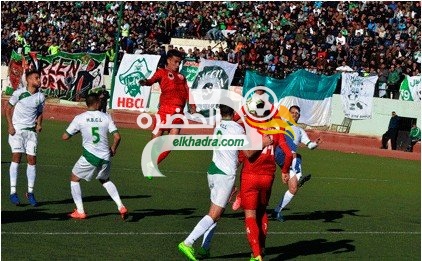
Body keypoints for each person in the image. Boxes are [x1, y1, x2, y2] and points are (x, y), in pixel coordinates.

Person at [178, 101, 245, 261]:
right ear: (234, 112)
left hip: (213, 171)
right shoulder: (238, 129)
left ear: (221, 113)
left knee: (216, 213)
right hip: (225, 174)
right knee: (214, 214)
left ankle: (205, 248)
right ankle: (188, 243)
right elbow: (247, 152)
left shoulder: (218, 126)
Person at [62, 92, 127, 220]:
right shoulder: (106, 117)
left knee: (74, 178)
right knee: (105, 180)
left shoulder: (79, 118)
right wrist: (113, 148)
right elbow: (117, 136)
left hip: (90, 156)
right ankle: (121, 206)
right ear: (97, 103)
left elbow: (64, 137)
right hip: (105, 157)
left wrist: (78, 131)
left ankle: (80, 211)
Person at [139, 49, 196, 169]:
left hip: (178, 113)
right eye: (175, 62)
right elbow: (151, 80)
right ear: (169, 60)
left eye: (179, 62)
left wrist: (192, 106)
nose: (177, 65)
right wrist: (145, 82)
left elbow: (187, 92)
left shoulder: (182, 77)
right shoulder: (162, 72)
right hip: (165, 110)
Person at [272, 105, 322, 222]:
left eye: (297, 113)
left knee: (293, 188)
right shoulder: (282, 124)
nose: (295, 114)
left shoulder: (300, 131)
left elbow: (310, 145)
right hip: (281, 154)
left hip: (289, 159)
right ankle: (298, 174)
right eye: (293, 112)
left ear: (299, 116)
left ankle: (276, 211)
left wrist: (316, 143)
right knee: (296, 156)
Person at [6, 70, 45, 206]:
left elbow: (40, 111)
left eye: (39, 78)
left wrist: (39, 123)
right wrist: (10, 125)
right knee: (16, 157)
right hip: (17, 130)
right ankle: (13, 192)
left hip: (31, 132)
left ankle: (30, 192)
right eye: (36, 78)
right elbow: (7, 108)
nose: (39, 80)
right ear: (28, 80)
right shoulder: (19, 93)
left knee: (32, 160)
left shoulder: (41, 96)